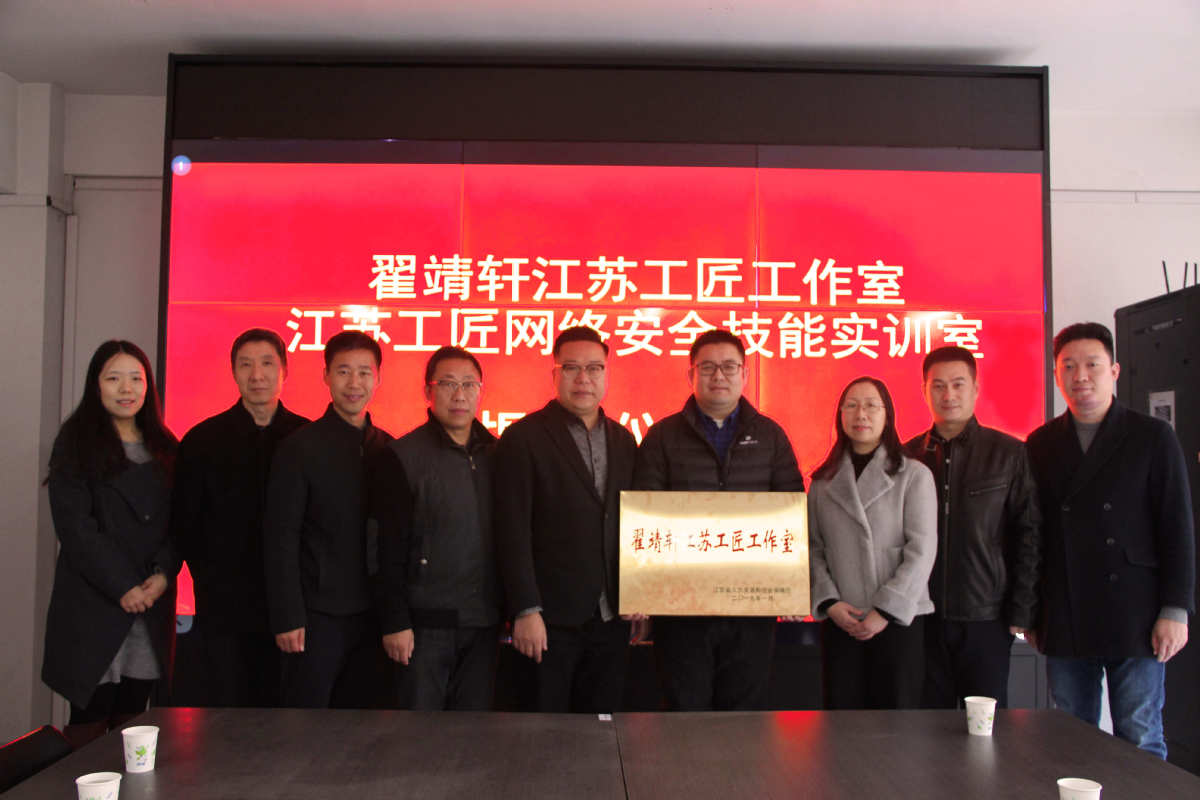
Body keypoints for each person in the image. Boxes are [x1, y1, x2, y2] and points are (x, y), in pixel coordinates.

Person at [1026, 322, 1194, 758]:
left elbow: (1177, 527)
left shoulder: (1152, 436)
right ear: (1056, 374)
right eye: (1068, 366)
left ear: (1114, 371)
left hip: (1137, 612)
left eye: (1092, 365)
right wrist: (1030, 613)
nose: (1080, 376)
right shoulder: (1041, 443)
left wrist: (1175, 609)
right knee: (1070, 737)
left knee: (1139, 735)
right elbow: (1032, 535)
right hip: (1065, 610)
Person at [634, 329, 805, 711]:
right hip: (681, 607)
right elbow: (645, 516)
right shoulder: (662, 436)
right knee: (684, 712)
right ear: (690, 374)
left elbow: (793, 510)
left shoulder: (770, 436)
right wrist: (641, 591)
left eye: (729, 367)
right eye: (708, 367)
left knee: (743, 715)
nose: (719, 376)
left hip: (752, 604)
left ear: (745, 374)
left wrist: (794, 587)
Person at [494, 326, 638, 713]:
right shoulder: (523, 438)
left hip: (611, 617)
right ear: (554, 374)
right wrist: (525, 609)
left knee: (603, 728)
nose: (583, 378)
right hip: (549, 619)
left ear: (606, 373)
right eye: (571, 368)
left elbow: (633, 526)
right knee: (546, 730)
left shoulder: (624, 440)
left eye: (594, 368)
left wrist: (639, 595)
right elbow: (511, 531)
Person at [42, 340, 179, 747]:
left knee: (135, 716)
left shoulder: (165, 446)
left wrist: (163, 575)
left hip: (149, 605)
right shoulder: (76, 443)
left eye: (136, 378)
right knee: (90, 716)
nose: (126, 388)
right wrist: (123, 586)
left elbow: (182, 523)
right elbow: (76, 528)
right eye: (113, 378)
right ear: (96, 385)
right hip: (96, 602)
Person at [173, 329, 309, 707]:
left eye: (267, 364)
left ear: (285, 371)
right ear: (233, 372)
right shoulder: (202, 441)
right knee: (227, 715)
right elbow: (185, 525)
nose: (257, 375)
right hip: (224, 609)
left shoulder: (307, 438)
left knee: (289, 714)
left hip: (293, 609)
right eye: (246, 365)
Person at [904, 346, 1041, 708]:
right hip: (921, 617)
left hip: (986, 618)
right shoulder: (907, 457)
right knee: (925, 728)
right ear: (924, 391)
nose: (948, 395)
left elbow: (1029, 535)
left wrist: (1022, 610)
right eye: (938, 386)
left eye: (958, 384)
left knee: (983, 728)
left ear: (976, 389)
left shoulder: (1008, 453)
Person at [264, 330, 393, 708]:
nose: (354, 383)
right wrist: (288, 616)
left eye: (364, 373)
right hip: (315, 617)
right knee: (306, 721)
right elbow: (280, 537)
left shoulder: (388, 448)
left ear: (378, 379)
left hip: (373, 615)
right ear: (326, 376)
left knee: (362, 724)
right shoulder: (299, 447)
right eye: (343, 371)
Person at [370, 346, 501, 710]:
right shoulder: (402, 456)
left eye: (469, 384)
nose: (459, 395)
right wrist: (395, 621)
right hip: (422, 627)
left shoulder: (498, 454)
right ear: (428, 391)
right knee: (418, 733)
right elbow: (385, 548)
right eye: (447, 384)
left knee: (473, 733)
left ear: (480, 391)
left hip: (483, 623)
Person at [808, 376, 937, 709]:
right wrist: (830, 603)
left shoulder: (914, 475)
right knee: (843, 723)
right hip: (843, 620)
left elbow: (922, 552)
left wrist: (884, 611)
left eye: (870, 405)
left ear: (887, 415)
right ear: (840, 415)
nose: (860, 414)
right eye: (851, 405)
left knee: (897, 724)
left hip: (897, 621)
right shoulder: (822, 482)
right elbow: (813, 549)